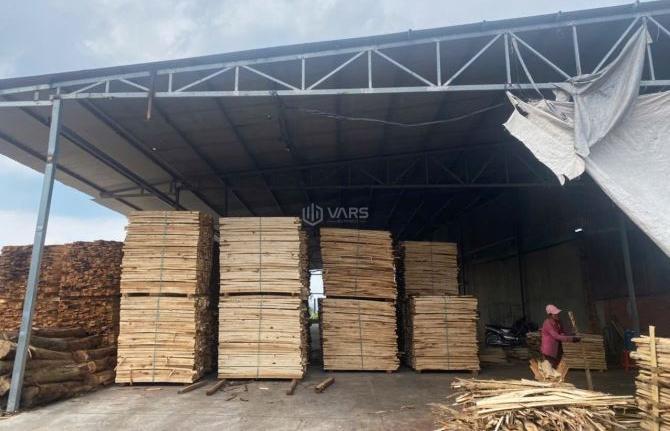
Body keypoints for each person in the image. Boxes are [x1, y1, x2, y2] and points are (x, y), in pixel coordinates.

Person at [541, 304, 580, 368]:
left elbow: (562, 333)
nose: (557, 315)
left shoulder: (558, 322)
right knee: (549, 370)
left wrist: (572, 335)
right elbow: (557, 336)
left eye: (557, 313)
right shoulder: (547, 323)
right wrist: (572, 339)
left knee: (556, 368)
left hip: (557, 350)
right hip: (549, 351)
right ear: (550, 315)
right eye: (555, 314)